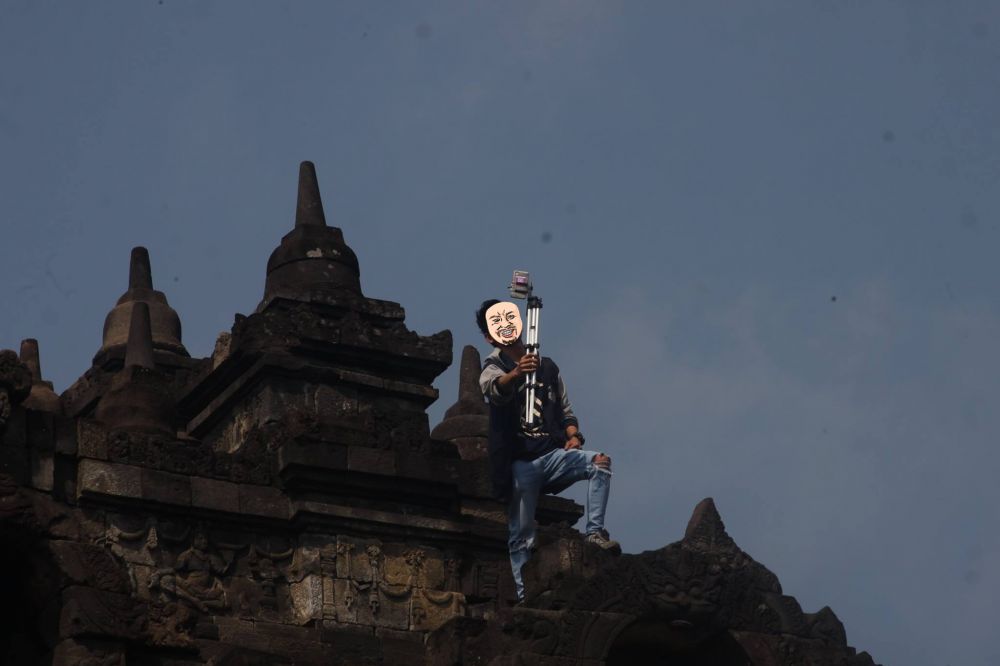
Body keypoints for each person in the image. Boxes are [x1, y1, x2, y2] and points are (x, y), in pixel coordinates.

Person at [476, 298, 619, 602]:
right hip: (521, 462)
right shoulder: (492, 366)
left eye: (509, 318)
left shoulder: (548, 366)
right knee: (521, 534)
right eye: (497, 323)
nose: (506, 326)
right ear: (490, 336)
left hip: (551, 454)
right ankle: (524, 596)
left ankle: (595, 532)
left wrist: (573, 436)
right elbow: (493, 389)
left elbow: (566, 410)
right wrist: (516, 374)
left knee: (599, 462)